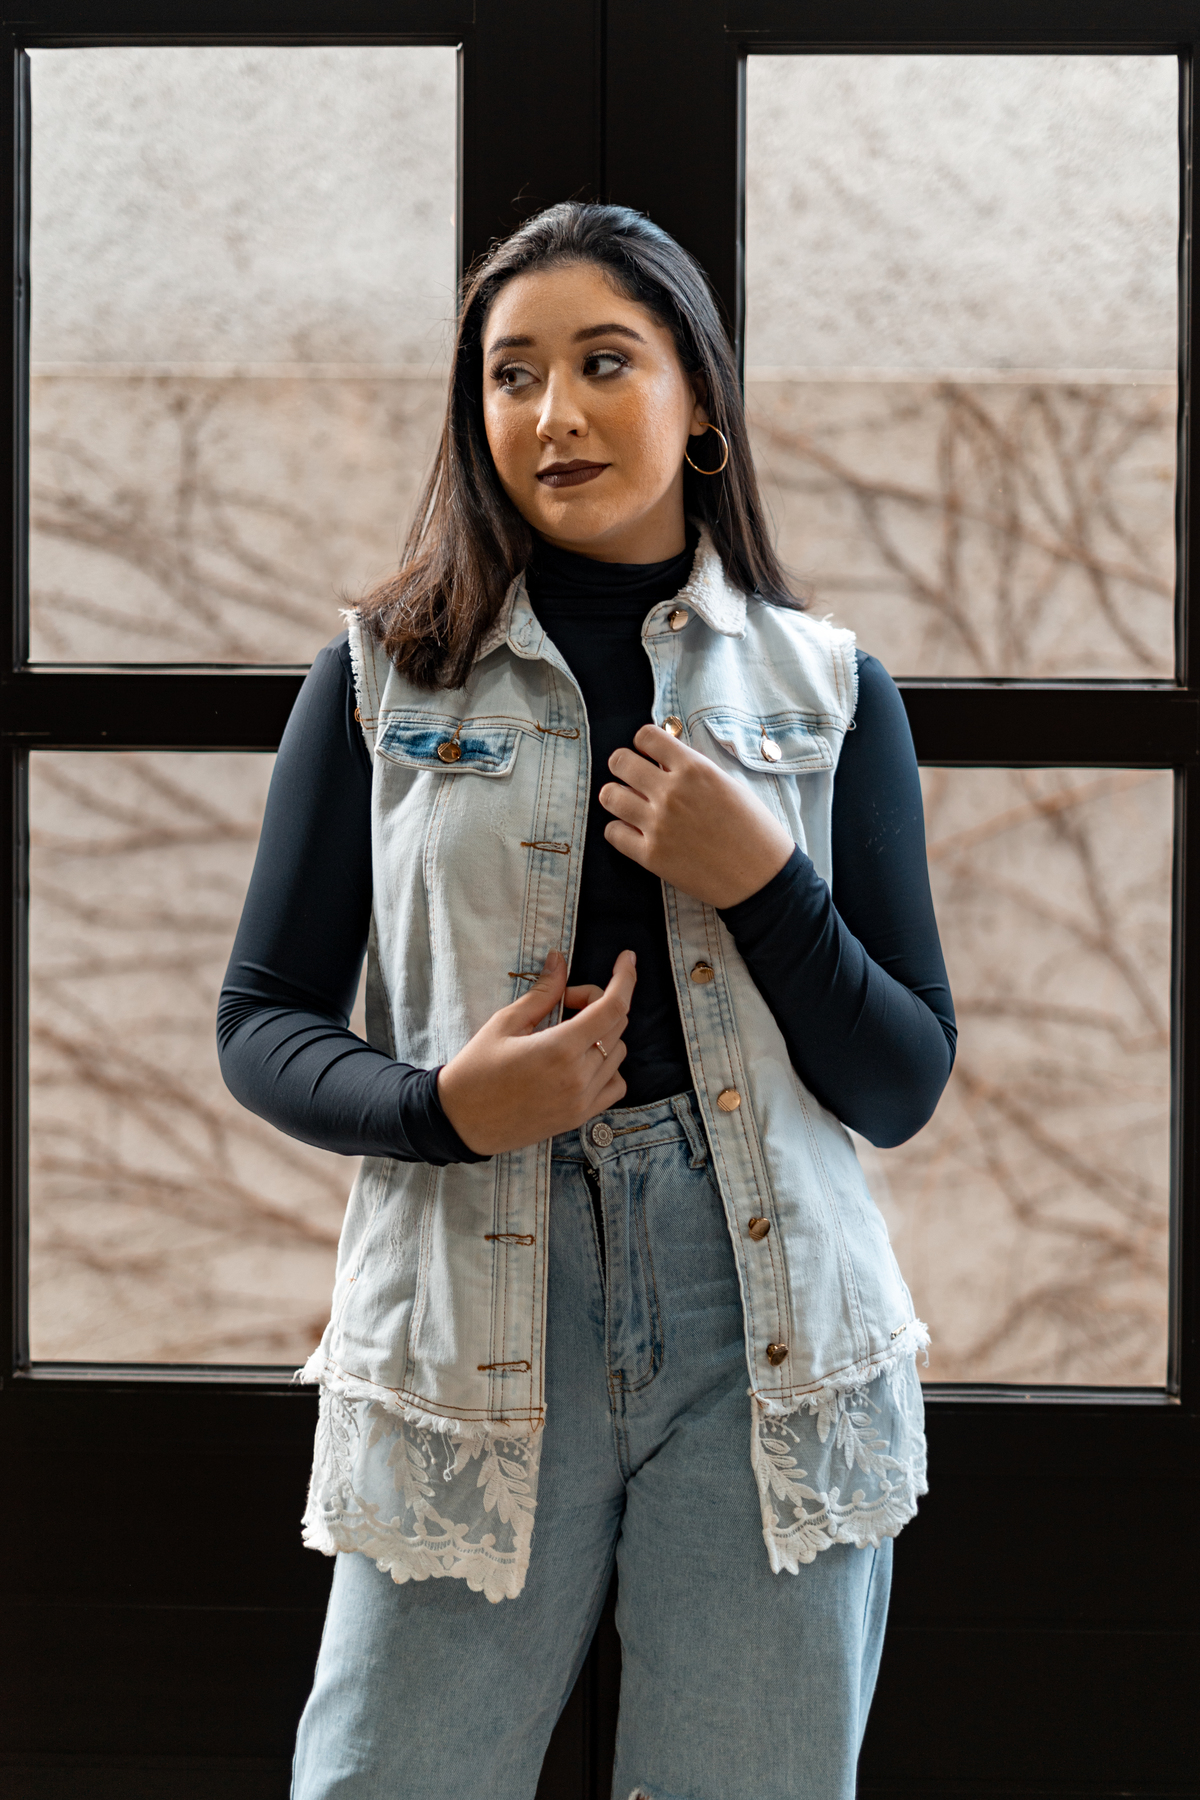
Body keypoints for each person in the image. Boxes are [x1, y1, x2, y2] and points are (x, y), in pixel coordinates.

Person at [218, 201, 955, 1800]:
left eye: (603, 363)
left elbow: (901, 1081)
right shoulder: (378, 683)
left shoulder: (836, 695)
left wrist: (763, 879)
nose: (553, 414)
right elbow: (259, 1020)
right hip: (475, 1292)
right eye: (512, 375)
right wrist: (440, 1108)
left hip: (764, 1321)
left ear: (697, 398)